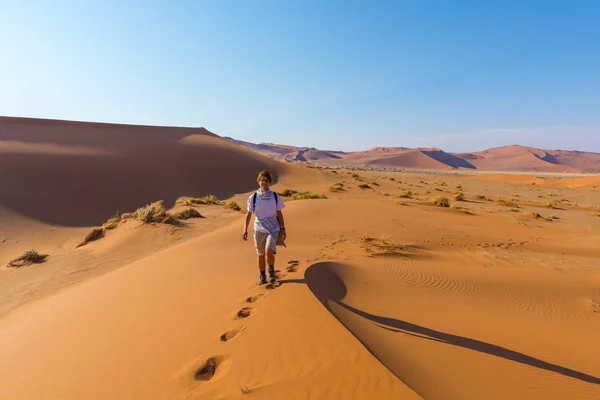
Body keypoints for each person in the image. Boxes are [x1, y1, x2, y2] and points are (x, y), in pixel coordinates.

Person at [242, 170, 287, 285]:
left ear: (270, 182)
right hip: (259, 229)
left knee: (269, 251)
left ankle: (271, 272)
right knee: (261, 254)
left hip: (273, 228)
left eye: (266, 180)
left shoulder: (275, 196)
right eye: (262, 180)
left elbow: (279, 213)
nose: (264, 183)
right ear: (259, 182)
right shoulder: (254, 197)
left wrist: (283, 228)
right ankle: (262, 276)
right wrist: (245, 229)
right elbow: (249, 214)